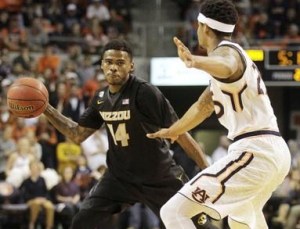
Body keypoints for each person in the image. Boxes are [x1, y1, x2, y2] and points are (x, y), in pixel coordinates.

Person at [146, 0, 291, 228]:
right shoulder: (230, 62)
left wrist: (196, 61)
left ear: (204, 28)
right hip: (271, 152)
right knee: (241, 222)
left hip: (255, 152)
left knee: (174, 212)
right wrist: (174, 130)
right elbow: (203, 107)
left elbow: (227, 65)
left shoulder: (229, 53)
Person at [43, 39, 210, 229]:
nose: (113, 67)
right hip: (119, 177)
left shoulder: (145, 92)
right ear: (102, 65)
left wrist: (208, 171)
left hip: (158, 176)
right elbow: (78, 134)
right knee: (82, 221)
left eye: (120, 63)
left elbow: (181, 132)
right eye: (109, 62)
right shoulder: (100, 98)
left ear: (131, 66)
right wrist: (46, 109)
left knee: (198, 224)